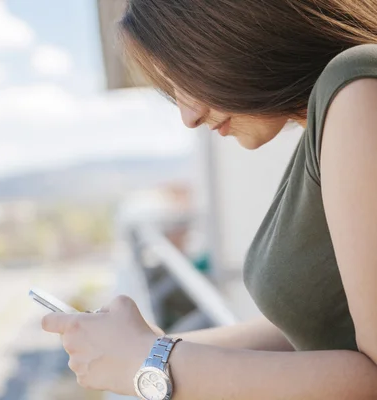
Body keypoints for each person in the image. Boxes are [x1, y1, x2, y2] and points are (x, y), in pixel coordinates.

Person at [41, 0, 377, 399]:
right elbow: (316, 330)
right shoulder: (330, 118)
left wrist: (150, 362)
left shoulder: (355, 89)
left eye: (188, 76)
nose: (189, 116)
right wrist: (151, 346)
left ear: (240, 29)